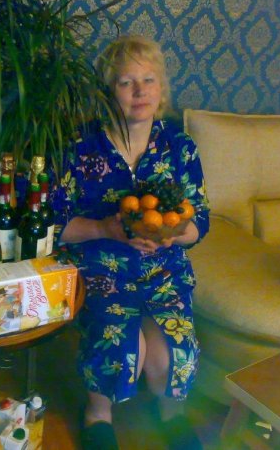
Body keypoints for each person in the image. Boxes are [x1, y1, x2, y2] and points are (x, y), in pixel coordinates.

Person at [51, 35, 210, 450]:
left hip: (164, 268)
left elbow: (200, 221)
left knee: (172, 352)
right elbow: (52, 223)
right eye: (126, 82)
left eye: (148, 80)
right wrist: (105, 229)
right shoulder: (79, 147)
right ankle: (97, 414)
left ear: (161, 89)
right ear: (108, 92)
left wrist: (171, 233)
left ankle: (172, 413)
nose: (139, 91)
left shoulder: (179, 147)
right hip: (101, 266)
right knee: (122, 344)